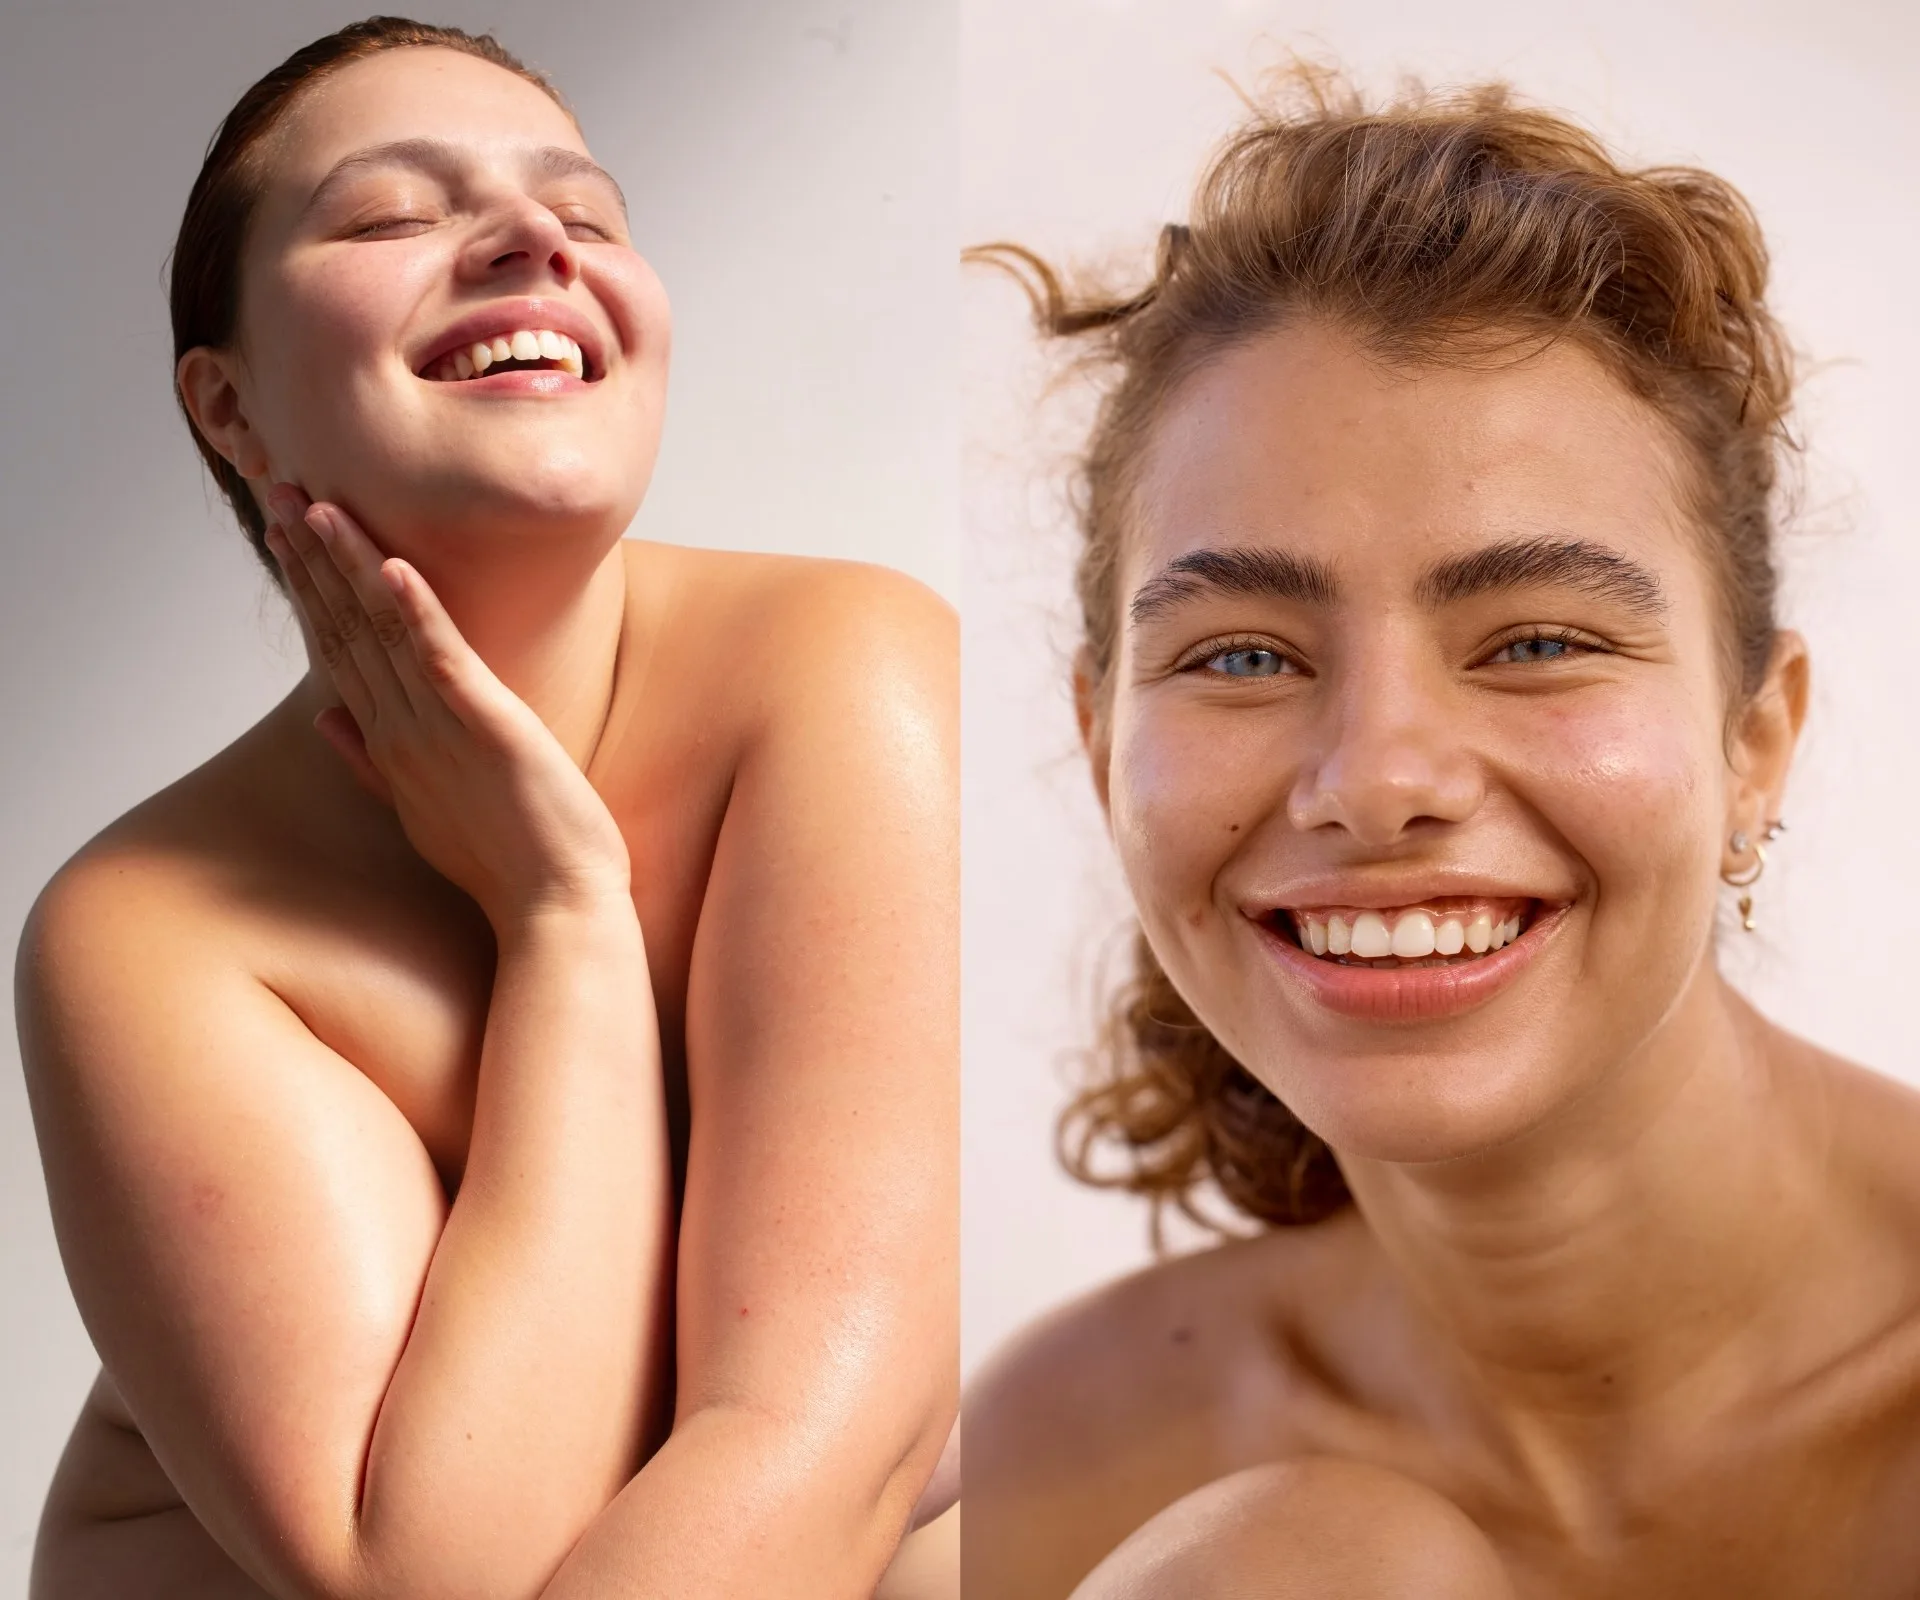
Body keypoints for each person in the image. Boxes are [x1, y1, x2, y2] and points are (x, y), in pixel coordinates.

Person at [18, 19, 956, 1599]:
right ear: (228, 409)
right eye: (392, 213)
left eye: (585, 214)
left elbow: (823, 1443)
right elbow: (438, 1577)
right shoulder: (148, 927)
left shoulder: (845, 670)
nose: (534, 240)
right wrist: (563, 918)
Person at [964, 68, 1920, 1598]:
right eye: (1244, 656)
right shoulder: (1056, 1466)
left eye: (1537, 641)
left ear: (1755, 740)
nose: (1378, 778)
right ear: (1100, 748)